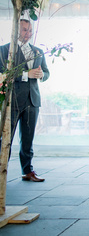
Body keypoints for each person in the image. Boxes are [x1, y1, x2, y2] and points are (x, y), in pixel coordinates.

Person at [0, 19, 50, 182]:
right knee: (5, 139)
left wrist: (42, 75)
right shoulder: (4, 50)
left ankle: (28, 171)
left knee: (28, 139)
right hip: (12, 101)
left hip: (32, 100)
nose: (27, 34)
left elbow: (47, 72)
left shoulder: (38, 51)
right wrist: (25, 75)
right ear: (15, 30)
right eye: (24, 30)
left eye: (30, 31)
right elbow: (2, 73)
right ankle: (1, 170)